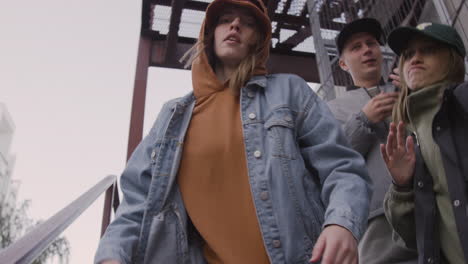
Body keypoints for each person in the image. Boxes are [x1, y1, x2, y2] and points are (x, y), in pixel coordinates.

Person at [94, 0, 372, 263]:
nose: (235, 25)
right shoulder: (172, 117)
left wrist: (341, 223)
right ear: (209, 34)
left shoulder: (290, 91)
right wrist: (112, 255)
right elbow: (136, 202)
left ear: (257, 40)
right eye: (225, 20)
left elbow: (342, 166)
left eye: (247, 23)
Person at [327, 18, 418, 264]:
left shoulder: (408, 87)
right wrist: (363, 120)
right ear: (344, 64)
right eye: (356, 47)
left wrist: (420, 90)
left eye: (371, 43)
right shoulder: (332, 109)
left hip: (429, 202)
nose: (367, 49)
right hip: (378, 220)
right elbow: (332, 159)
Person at [381, 22, 468, 263]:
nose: (415, 59)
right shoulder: (406, 134)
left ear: (452, 59)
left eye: (428, 50)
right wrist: (401, 187)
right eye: (408, 55)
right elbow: (413, 239)